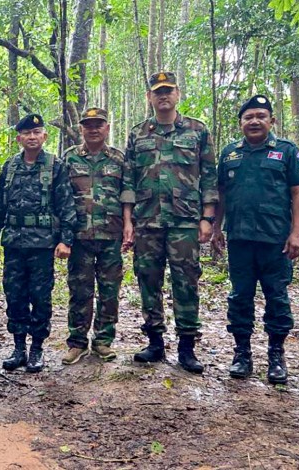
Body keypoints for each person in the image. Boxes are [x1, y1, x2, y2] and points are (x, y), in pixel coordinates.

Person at [122, 72, 218, 374]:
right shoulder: (138, 134)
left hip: (185, 221)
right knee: (148, 281)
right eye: (157, 92)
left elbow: (210, 177)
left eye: (168, 91)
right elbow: (128, 180)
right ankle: (155, 343)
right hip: (147, 221)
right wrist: (129, 221)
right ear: (149, 98)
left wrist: (208, 218)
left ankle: (187, 348)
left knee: (186, 282)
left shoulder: (197, 131)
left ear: (178, 94)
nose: (163, 96)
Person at [212, 95, 299, 385]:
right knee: (239, 297)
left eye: (260, 116)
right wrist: (216, 228)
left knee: (276, 297)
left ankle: (276, 356)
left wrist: (297, 234)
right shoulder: (230, 154)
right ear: (241, 122)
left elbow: (298, 194)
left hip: (275, 240)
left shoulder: (286, 151)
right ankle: (242, 354)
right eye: (248, 117)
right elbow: (222, 195)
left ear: (271, 120)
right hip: (240, 239)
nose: (254, 121)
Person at [0, 114, 76, 373]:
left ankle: (37, 348)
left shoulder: (55, 166)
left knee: (41, 296)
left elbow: (66, 205)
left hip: (42, 244)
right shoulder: (9, 167)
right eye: (27, 133)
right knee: (14, 294)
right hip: (14, 244)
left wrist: (66, 240)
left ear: (44, 136)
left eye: (37, 132)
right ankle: (19, 347)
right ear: (19, 138)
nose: (32, 137)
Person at [61, 107, 127, 365]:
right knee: (80, 291)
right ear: (81, 129)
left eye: (98, 124)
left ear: (107, 127)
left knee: (109, 291)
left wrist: (129, 226)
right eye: (88, 125)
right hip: (80, 237)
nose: (93, 129)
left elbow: (128, 196)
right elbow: (62, 198)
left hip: (111, 235)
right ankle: (77, 342)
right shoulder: (69, 158)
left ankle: (103, 341)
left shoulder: (118, 159)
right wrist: (63, 236)